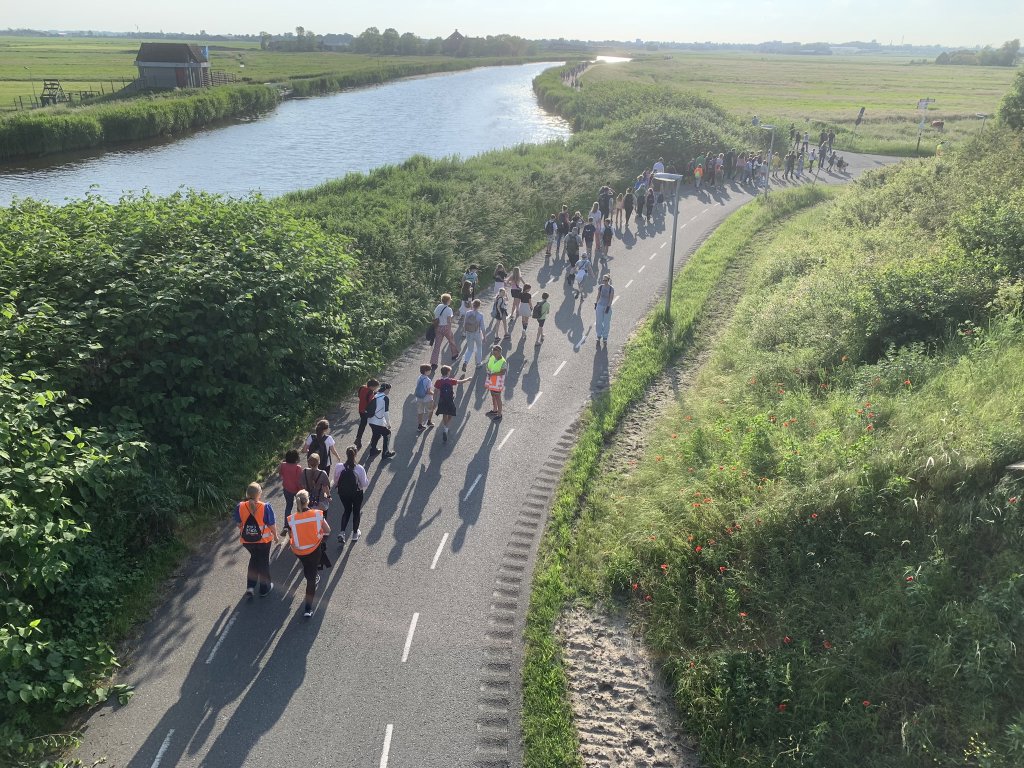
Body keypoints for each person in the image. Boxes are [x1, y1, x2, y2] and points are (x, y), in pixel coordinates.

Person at [287, 489, 331, 618]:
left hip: (299, 551)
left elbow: (291, 535)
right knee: (310, 579)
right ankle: (308, 608)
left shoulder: (291, 519)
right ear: (308, 501)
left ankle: (311, 573)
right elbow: (328, 530)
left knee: (307, 566)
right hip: (314, 549)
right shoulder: (317, 514)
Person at [235, 482, 276, 598]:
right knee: (263, 563)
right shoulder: (265, 506)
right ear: (259, 493)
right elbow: (271, 524)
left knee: (254, 559)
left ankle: (250, 586)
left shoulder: (240, 506)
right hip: (263, 541)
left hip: (247, 541)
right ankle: (264, 588)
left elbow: (238, 524)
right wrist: (276, 535)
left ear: (247, 494)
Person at [333, 447, 368, 546]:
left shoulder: (339, 467)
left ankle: (342, 532)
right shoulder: (359, 468)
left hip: (343, 493)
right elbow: (364, 484)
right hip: (356, 493)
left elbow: (336, 481)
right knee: (356, 512)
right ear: (355, 455)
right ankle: (355, 533)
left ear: (346, 454)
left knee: (347, 510)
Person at [433, 364, 471, 442]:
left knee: (444, 414)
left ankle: (445, 427)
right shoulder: (450, 380)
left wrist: (434, 402)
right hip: (450, 400)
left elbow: (435, 392)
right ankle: (446, 428)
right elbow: (460, 382)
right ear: (447, 373)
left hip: (442, 400)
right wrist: (467, 379)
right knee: (451, 414)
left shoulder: (438, 381)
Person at [429, 293, 460, 370]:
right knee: (451, 340)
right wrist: (449, 329)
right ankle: (454, 354)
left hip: (438, 327)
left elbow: (435, 315)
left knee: (437, 345)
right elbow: (449, 320)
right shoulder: (449, 309)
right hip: (446, 327)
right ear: (448, 301)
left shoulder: (438, 307)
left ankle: (434, 362)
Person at [367, 382, 396, 458]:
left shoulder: (376, 395)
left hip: (370, 420)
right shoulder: (385, 398)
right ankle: (385, 453)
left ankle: (373, 450)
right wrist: (388, 424)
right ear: (386, 389)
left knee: (376, 434)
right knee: (387, 433)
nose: (389, 391)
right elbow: (386, 413)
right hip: (378, 421)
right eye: (389, 390)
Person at [461, 298, 486, 372]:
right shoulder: (480, 315)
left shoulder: (468, 313)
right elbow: (482, 327)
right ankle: (478, 363)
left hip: (469, 333)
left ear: (472, 305)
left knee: (470, 349)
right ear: (479, 306)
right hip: (477, 333)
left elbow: (465, 323)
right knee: (479, 348)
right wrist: (484, 337)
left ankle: (465, 362)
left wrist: (464, 332)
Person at [484, 345, 508, 421]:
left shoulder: (503, 361)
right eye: (493, 353)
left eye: (496, 353)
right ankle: (495, 410)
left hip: (497, 382)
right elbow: (488, 365)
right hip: (491, 380)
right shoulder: (492, 357)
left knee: (498, 397)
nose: (494, 355)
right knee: (492, 395)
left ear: (500, 352)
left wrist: (493, 374)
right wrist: (487, 369)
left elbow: (503, 372)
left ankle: (499, 414)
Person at [354, 378, 379, 449]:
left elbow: (359, 396)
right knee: (373, 423)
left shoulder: (362, 387)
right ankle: (374, 437)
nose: (375, 389)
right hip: (366, 411)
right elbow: (371, 402)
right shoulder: (370, 392)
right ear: (371, 386)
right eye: (375, 387)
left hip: (360, 409)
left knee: (362, 424)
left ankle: (358, 439)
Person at [278, 449, 303, 520]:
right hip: (297, 490)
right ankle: (300, 520)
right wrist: (302, 490)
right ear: (296, 458)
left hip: (287, 489)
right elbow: (299, 481)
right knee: (300, 506)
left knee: (288, 506)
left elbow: (280, 473)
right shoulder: (298, 468)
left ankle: (286, 525)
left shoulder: (283, 465)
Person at [594, 274, 615, 343]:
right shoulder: (600, 287)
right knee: (598, 321)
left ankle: (605, 337)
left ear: (608, 280)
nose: (604, 281)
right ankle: (598, 335)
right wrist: (596, 304)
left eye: (605, 280)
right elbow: (598, 296)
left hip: (607, 306)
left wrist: (608, 307)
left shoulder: (611, 288)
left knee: (606, 323)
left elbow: (611, 299)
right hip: (600, 306)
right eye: (603, 280)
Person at [415, 364, 435, 431]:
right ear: (426, 371)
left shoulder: (419, 377)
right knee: (430, 410)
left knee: (420, 412)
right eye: (429, 370)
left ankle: (420, 425)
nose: (430, 371)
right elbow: (428, 391)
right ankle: (429, 422)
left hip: (419, 398)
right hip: (427, 398)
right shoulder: (428, 380)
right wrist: (434, 394)